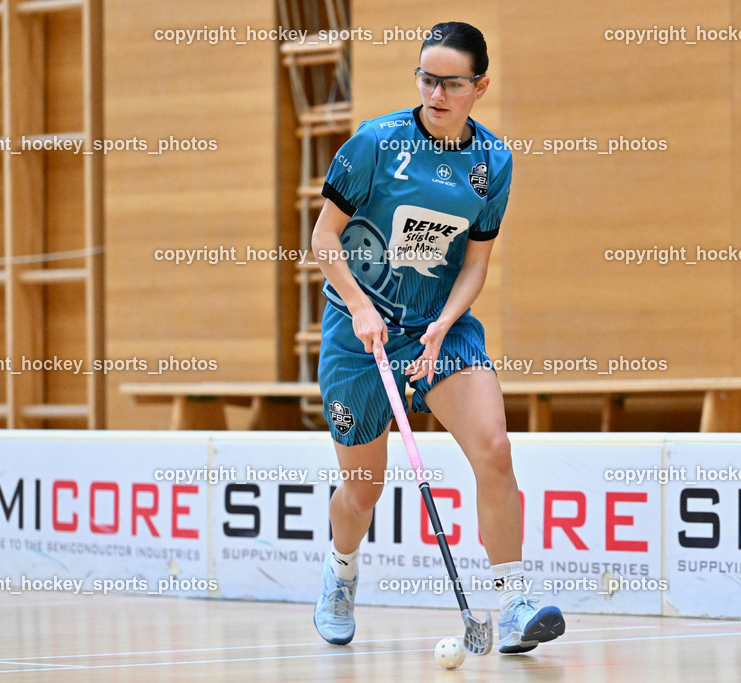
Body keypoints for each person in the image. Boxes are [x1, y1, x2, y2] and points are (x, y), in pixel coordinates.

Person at [310, 21, 564, 655]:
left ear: (479, 86)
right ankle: (341, 573)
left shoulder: (492, 162)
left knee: (496, 449)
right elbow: (323, 239)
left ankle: (513, 603)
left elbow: (475, 263)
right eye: (427, 79)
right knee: (363, 488)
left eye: (451, 83)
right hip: (360, 328)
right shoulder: (374, 142)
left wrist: (445, 324)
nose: (435, 94)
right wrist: (361, 308)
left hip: (437, 326)